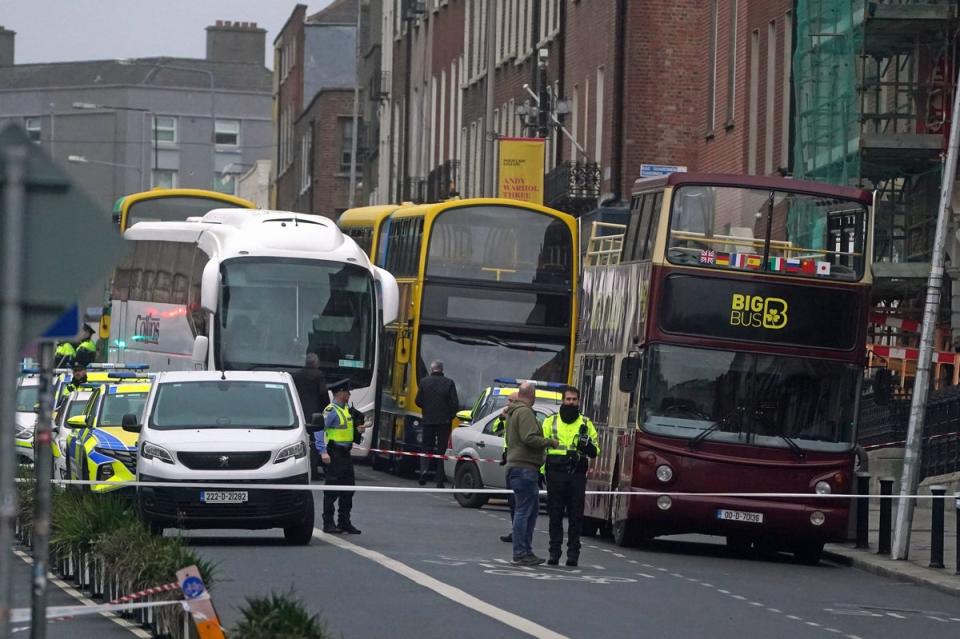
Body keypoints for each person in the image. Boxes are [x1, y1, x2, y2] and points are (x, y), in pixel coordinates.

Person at [542, 386, 599, 567]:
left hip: (576, 475)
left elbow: (596, 451)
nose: (571, 402)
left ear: (579, 401)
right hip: (555, 474)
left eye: (574, 399)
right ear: (562, 400)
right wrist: (542, 472)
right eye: (568, 399)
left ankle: (573, 554)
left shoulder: (586, 423)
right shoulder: (550, 422)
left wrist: (587, 446)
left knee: (576, 517)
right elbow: (541, 448)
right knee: (555, 515)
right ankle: (554, 552)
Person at [504, 381, 557, 566]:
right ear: (532, 395)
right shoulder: (525, 412)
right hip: (524, 467)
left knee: (529, 511)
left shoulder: (514, 412)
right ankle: (520, 552)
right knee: (524, 511)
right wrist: (549, 442)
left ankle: (525, 551)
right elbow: (529, 438)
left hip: (520, 467)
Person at [317, 380, 369, 534]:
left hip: (345, 453)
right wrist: (323, 452)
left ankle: (344, 522)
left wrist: (357, 431)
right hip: (334, 452)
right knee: (332, 488)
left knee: (348, 488)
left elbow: (346, 431)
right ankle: (328, 523)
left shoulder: (345, 410)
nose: (349, 394)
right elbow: (319, 430)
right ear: (340, 392)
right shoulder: (331, 410)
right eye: (347, 391)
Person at [414, 360, 459, 488]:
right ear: (442, 369)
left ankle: (423, 471)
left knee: (426, 447)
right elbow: (454, 404)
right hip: (444, 422)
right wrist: (449, 417)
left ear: (432, 369)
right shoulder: (449, 383)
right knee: (442, 449)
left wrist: (427, 409)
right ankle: (439, 479)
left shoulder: (424, 382)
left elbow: (418, 401)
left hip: (428, 420)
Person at [291, 352, 330, 479]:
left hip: (298, 412)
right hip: (314, 414)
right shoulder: (319, 375)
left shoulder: (296, 375)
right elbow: (323, 393)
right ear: (316, 364)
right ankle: (313, 471)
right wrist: (326, 408)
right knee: (313, 443)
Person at [492, 394, 515, 543]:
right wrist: (501, 418)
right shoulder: (508, 417)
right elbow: (497, 431)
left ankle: (519, 534)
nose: (508, 403)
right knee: (513, 502)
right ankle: (515, 530)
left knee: (520, 504)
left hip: (520, 463)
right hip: (510, 462)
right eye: (508, 400)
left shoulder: (523, 416)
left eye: (511, 401)